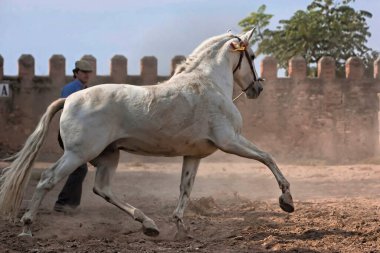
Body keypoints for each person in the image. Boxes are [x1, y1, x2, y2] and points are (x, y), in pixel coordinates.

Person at [54, 60, 93, 213]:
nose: (87, 75)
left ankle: (69, 204)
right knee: (80, 168)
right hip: (69, 134)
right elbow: (67, 114)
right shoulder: (70, 89)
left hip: (79, 135)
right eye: (84, 72)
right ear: (76, 73)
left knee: (79, 168)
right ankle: (64, 203)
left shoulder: (86, 89)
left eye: (88, 73)